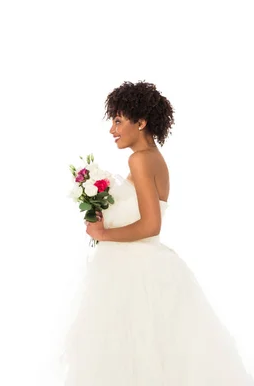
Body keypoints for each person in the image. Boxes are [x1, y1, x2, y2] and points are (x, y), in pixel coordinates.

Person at [60, 81, 254, 385]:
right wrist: (104, 215)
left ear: (141, 122)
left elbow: (151, 225)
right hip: (139, 268)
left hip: (136, 274)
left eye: (119, 120)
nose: (112, 129)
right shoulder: (152, 157)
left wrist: (103, 233)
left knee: (132, 356)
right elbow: (140, 213)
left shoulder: (139, 159)